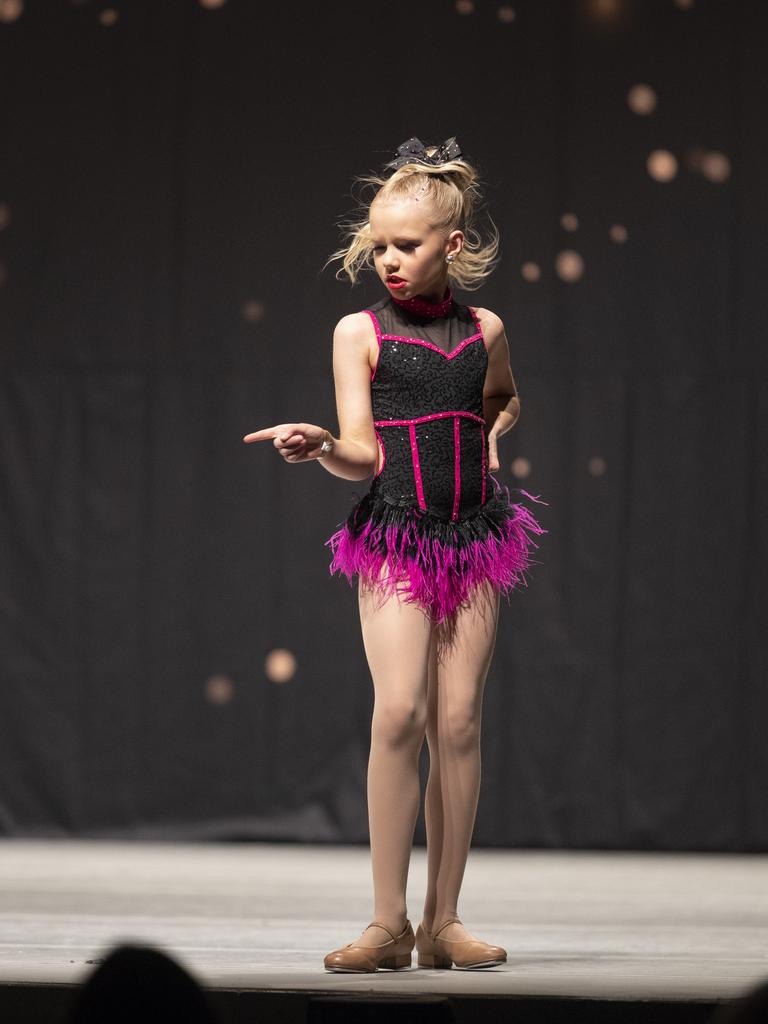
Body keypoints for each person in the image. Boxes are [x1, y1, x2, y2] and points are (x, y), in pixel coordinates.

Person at [243, 135, 547, 973]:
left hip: (477, 536)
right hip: (399, 537)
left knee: (458, 721)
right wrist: (320, 444)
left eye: (404, 246)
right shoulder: (359, 332)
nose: (387, 260)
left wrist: (493, 432)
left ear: (451, 246)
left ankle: (444, 920)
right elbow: (363, 453)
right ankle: (387, 921)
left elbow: (504, 397)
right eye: (377, 245)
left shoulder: (485, 329)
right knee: (401, 711)